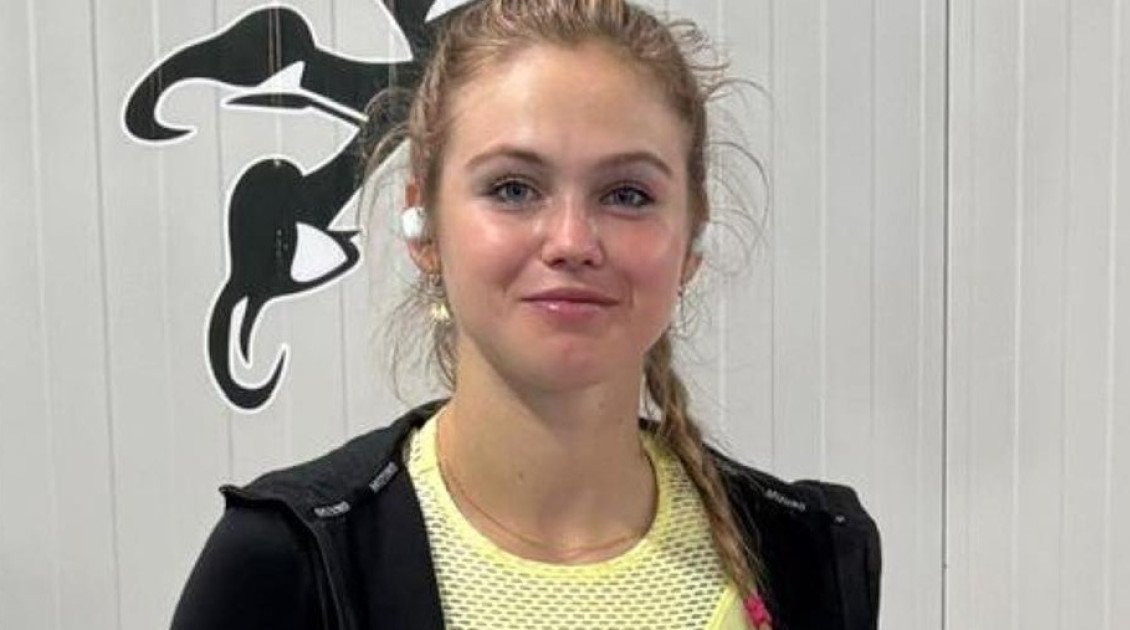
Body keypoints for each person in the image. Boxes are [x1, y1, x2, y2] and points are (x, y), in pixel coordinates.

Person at [171, 1, 880, 628]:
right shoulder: (289, 564)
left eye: (628, 195)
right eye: (513, 188)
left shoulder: (807, 554)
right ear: (423, 223)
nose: (572, 241)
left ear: (691, 236)